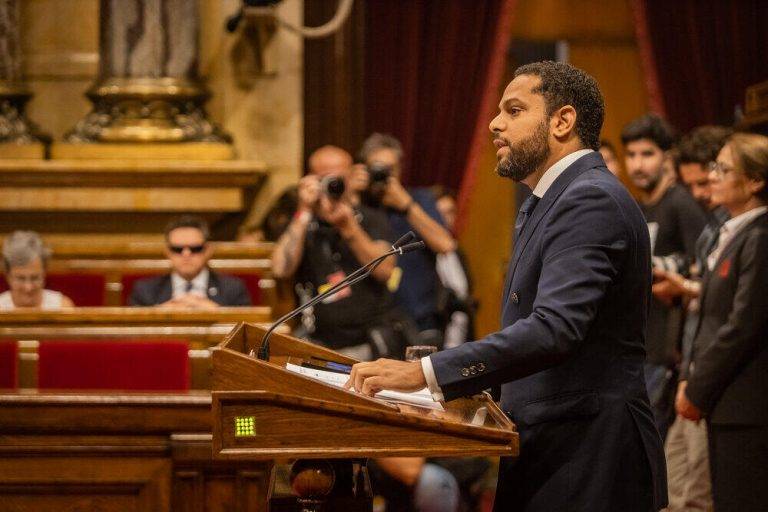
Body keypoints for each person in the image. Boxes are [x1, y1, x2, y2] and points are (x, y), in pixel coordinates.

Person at [345, 61, 667, 512]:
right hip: (558, 447)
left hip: (590, 457)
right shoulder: (556, 198)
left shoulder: (588, 198)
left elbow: (554, 330)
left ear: (562, 121)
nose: (496, 124)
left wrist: (426, 374)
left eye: (514, 111)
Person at [676, 133, 768, 512]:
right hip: (725, 400)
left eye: (723, 169)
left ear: (755, 181)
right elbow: (710, 317)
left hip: (746, 405)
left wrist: (697, 388)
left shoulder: (760, 236)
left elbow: (742, 325)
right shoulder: (737, 232)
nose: (712, 176)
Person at [271, 145, 413, 359]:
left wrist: (348, 227)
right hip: (318, 343)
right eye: (324, 179)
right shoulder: (303, 223)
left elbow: (385, 271)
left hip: (370, 344)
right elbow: (281, 269)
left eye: (338, 178)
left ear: (351, 177)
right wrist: (304, 210)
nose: (333, 185)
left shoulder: (371, 218)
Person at [652, 125, 730, 512]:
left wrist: (687, 288)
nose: (701, 194)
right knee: (671, 488)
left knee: (696, 495)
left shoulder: (747, 227)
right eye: (692, 185)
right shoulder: (715, 224)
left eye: (706, 182)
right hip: (690, 363)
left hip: (712, 370)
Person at [622, 114, 707, 439]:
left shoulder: (681, 204)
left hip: (667, 348)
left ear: (666, 157)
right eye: (631, 155)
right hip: (641, 344)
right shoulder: (640, 207)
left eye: (647, 154)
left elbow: (705, 262)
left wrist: (663, 268)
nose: (638, 164)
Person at [358, 133, 457, 345]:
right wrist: (351, 195)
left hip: (420, 318)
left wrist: (406, 205)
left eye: (389, 170)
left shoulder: (420, 199)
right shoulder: (359, 205)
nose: (382, 177)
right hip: (373, 323)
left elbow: (446, 244)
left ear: (400, 169)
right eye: (376, 169)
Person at [129, 216, 252, 308]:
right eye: (177, 249)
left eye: (195, 249)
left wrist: (216, 312)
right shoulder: (146, 290)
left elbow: (246, 334)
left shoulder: (233, 288)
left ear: (208, 250)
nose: (186, 254)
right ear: (167, 251)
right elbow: (133, 336)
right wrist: (160, 316)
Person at [0, 231, 74, 309]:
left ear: (44, 274)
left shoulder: (62, 307)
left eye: (35, 278)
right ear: (8, 276)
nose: (28, 287)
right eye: (20, 278)